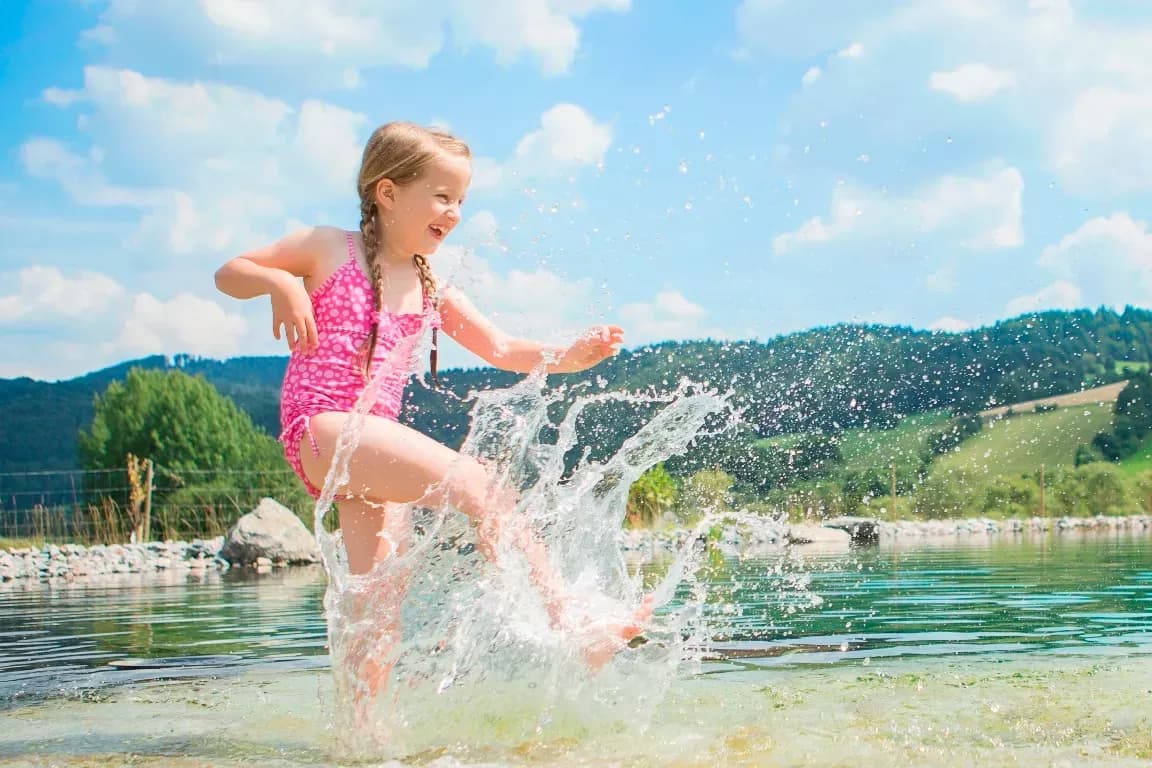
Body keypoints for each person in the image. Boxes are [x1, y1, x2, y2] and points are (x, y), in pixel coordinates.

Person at [213, 121, 650, 697]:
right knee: (480, 484)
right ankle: (570, 622)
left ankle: (363, 745)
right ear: (388, 194)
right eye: (442, 196)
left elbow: (504, 349)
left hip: (366, 454)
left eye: (462, 200)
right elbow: (229, 272)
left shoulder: (432, 287)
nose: (455, 212)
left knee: (377, 616)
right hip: (320, 430)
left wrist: (572, 354)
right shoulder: (327, 247)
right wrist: (282, 284)